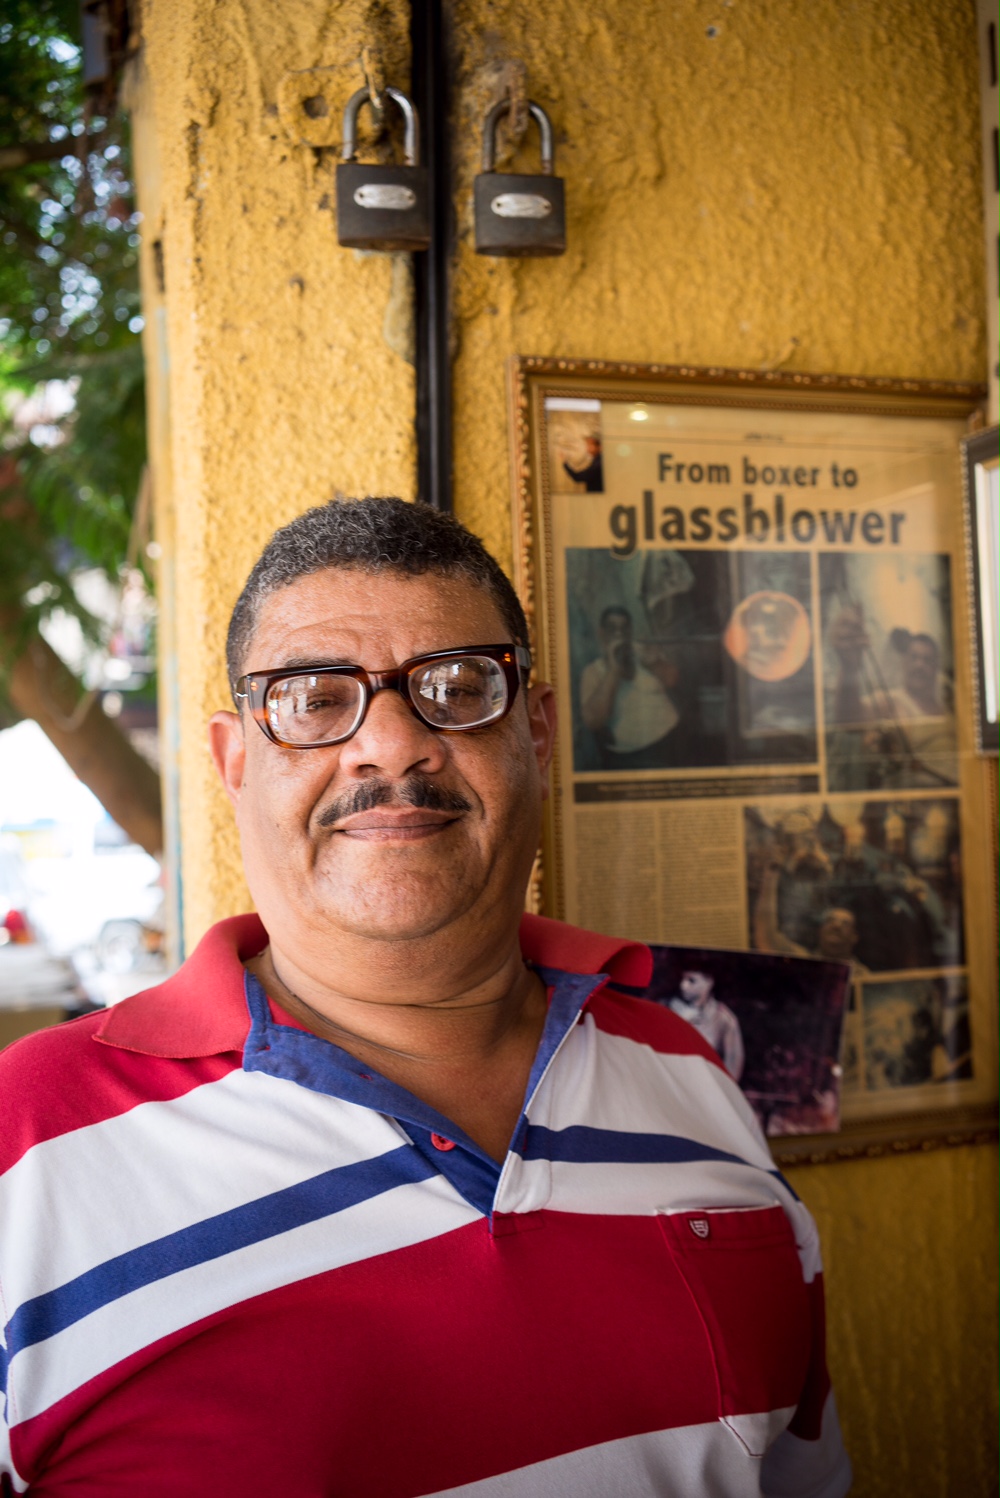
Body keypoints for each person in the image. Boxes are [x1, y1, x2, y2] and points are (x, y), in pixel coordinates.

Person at [0, 499, 851, 1498]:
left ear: (536, 731)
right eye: (315, 698)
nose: (393, 744)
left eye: (456, 688)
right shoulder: (28, 1142)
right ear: (235, 762)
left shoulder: (687, 1072)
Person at [827, 607, 957, 788]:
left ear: (935, 667)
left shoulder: (949, 708)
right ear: (904, 662)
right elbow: (849, 717)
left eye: (927, 660)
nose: (919, 665)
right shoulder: (892, 701)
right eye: (914, 657)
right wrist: (849, 667)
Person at [580, 604, 680, 768]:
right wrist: (613, 670)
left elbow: (672, 680)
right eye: (612, 629)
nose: (619, 634)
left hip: (673, 740)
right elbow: (593, 721)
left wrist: (654, 663)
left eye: (624, 628)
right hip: (633, 757)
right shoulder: (593, 671)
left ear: (630, 631)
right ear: (602, 634)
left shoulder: (643, 654)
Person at [667, 966, 745, 1082]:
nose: (683, 986)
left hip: (707, 1085)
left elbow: (733, 1063)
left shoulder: (724, 1019)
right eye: (683, 979)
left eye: (691, 980)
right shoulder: (669, 1009)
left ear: (709, 982)